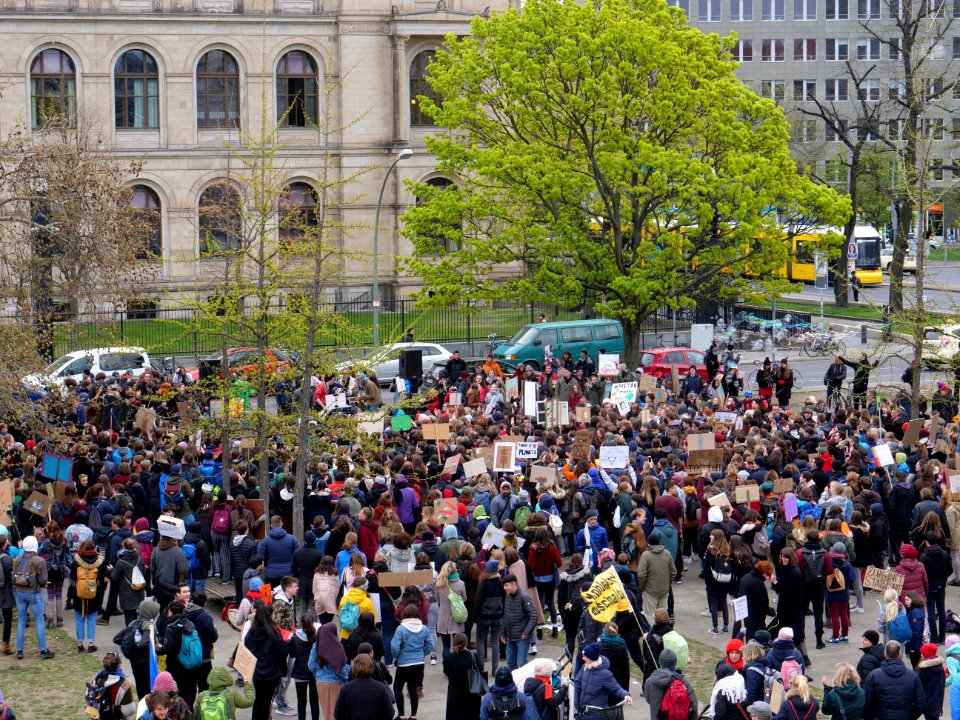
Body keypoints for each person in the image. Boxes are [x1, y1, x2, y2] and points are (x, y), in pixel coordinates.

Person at [244, 603, 291, 720]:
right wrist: (289, 642)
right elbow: (283, 650)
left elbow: (246, 648)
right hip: (272, 673)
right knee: (266, 700)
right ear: (269, 615)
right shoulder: (274, 633)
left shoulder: (251, 632)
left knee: (259, 699)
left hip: (256, 672)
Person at [13, 535, 55, 660]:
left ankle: (19, 650)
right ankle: (43, 650)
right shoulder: (39, 560)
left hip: (19, 591)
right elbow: (43, 580)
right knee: (39, 620)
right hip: (33, 592)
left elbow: (13, 576)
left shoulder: (17, 559)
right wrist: (43, 584)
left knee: (21, 621)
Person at [391, 604, 434, 720]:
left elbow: (394, 647)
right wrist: (423, 653)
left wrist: (397, 656)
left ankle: (401, 715)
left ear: (404, 615)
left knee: (398, 688)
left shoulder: (400, 629)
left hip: (404, 663)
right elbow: (431, 645)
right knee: (413, 689)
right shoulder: (424, 628)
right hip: (418, 663)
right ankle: (413, 716)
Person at [862, 641, 925, 720]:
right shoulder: (913, 676)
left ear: (885, 653)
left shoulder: (873, 675)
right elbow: (920, 704)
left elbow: (867, 702)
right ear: (899, 654)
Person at [71, 538, 108, 654]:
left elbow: (72, 576)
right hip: (94, 593)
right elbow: (102, 578)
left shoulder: (76, 561)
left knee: (79, 619)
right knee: (91, 619)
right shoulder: (100, 561)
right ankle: (91, 644)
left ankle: (80, 644)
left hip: (79, 593)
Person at [309, 623, 351, 720]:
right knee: (335, 714)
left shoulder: (316, 645)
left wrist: (319, 674)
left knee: (326, 712)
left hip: (320, 683)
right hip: (335, 683)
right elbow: (341, 668)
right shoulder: (337, 647)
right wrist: (347, 678)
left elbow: (311, 665)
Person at [333, 654, 395, 720]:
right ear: (371, 667)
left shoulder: (345, 688)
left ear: (354, 667)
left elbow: (338, 714)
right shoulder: (380, 687)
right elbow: (389, 713)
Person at [643, 648, 695, 720]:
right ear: (675, 662)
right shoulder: (681, 680)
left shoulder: (650, 680)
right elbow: (693, 702)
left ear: (659, 662)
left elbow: (648, 699)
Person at [474, 559, 505, 673]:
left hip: (484, 616)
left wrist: (475, 617)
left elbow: (478, 602)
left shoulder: (483, 583)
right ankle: (495, 668)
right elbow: (504, 599)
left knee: (480, 640)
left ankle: (481, 667)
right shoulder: (501, 583)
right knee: (495, 641)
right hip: (497, 616)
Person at [86, 650, 136, 720]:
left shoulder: (95, 679)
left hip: (97, 717)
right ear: (119, 665)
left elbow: (88, 701)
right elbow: (128, 711)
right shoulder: (124, 685)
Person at [443, 632, 482, 720]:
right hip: (472, 694)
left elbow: (446, 671)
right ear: (466, 643)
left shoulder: (448, 658)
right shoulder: (473, 657)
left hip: (455, 694)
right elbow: (480, 669)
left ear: (454, 643)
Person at [502, 572, 536, 670]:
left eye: (506, 585)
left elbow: (533, 616)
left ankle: (527, 684)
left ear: (514, 584)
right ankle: (515, 684)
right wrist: (502, 634)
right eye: (504, 585)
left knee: (522, 663)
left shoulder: (524, 597)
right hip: (510, 637)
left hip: (521, 637)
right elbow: (506, 616)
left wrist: (526, 633)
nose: (504, 588)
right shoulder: (508, 597)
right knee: (511, 663)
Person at [637, 531, 675, 620]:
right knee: (662, 617)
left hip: (650, 591)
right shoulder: (667, 553)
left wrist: (642, 587)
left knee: (650, 617)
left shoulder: (646, 555)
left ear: (648, 543)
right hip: (664, 590)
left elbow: (641, 574)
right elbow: (673, 572)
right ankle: (661, 633)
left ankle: (652, 633)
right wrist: (667, 584)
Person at [435, 560, 467, 657]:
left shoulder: (439, 584)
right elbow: (464, 599)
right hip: (456, 617)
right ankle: (456, 665)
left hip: (443, 618)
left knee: (445, 645)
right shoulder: (461, 584)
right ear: (455, 570)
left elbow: (438, 600)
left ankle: (446, 667)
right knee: (457, 645)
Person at [260, 515, 299, 588]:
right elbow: (298, 555)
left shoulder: (265, 541)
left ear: (271, 525)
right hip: (288, 573)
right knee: (288, 597)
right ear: (282, 523)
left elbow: (260, 557)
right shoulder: (292, 539)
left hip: (271, 574)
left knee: (273, 597)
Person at [916, 643, 945, 720]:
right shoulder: (939, 666)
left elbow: (919, 686)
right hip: (937, 702)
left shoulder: (924, 669)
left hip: (928, 703)